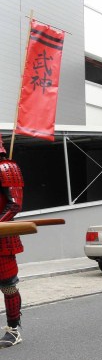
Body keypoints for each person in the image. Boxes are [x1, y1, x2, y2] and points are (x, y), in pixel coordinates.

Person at [0, 135, 24, 348]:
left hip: (2, 239)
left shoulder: (7, 168)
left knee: (8, 286)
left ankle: (14, 329)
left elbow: (14, 204)